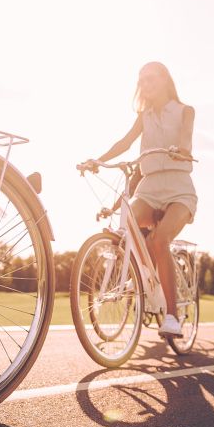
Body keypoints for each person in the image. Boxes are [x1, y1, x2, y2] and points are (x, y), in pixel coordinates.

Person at [78, 62, 197, 338]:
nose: (145, 84)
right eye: (141, 80)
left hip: (179, 188)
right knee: (127, 223)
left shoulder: (185, 111)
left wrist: (181, 150)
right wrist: (99, 159)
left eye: (151, 78)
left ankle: (172, 317)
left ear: (165, 80)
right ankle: (139, 277)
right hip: (149, 187)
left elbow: (186, 138)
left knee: (159, 240)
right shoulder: (144, 116)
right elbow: (125, 142)